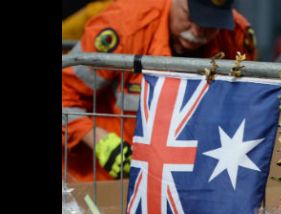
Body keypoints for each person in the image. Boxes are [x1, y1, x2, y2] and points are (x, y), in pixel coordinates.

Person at [62, 0, 259, 182]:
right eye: (191, 18)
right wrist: (98, 139)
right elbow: (64, 94)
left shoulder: (236, 36)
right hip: (110, 181)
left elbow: (245, 113)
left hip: (194, 181)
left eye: (211, 24)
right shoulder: (126, 24)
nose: (198, 32)